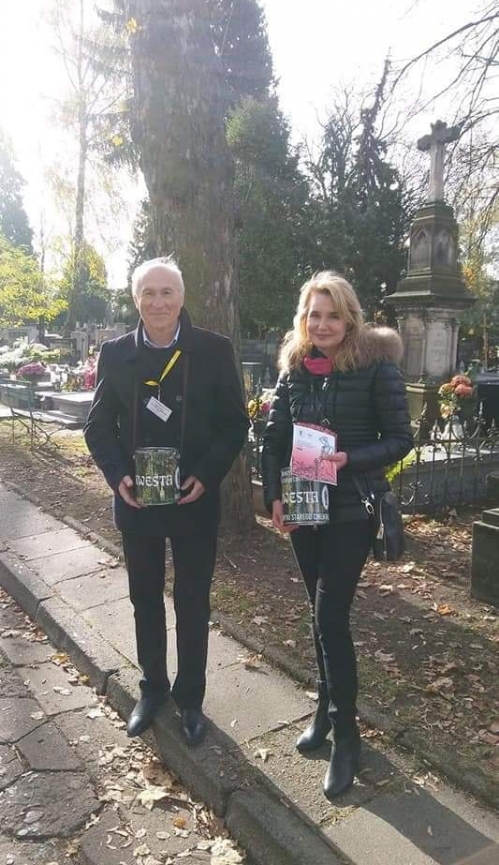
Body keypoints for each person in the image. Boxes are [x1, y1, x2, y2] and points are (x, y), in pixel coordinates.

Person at [84, 256, 249, 745]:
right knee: (145, 598)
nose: (158, 302)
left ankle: (191, 698)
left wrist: (207, 474)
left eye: (167, 292)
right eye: (149, 293)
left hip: (192, 498)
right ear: (136, 299)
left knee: (193, 601)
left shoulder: (213, 350)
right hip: (138, 502)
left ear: (181, 297)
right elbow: (98, 426)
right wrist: (118, 476)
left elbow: (235, 423)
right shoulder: (116, 353)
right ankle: (152, 688)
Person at [262, 271, 413, 799]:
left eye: (332, 315)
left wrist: (350, 459)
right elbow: (274, 438)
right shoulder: (294, 369)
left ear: (350, 319)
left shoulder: (376, 367)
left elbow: (401, 439)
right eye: (314, 315)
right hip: (304, 507)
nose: (322, 324)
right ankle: (326, 711)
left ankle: (347, 735)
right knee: (318, 613)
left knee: (330, 616)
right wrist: (273, 496)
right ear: (303, 319)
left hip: (351, 510)